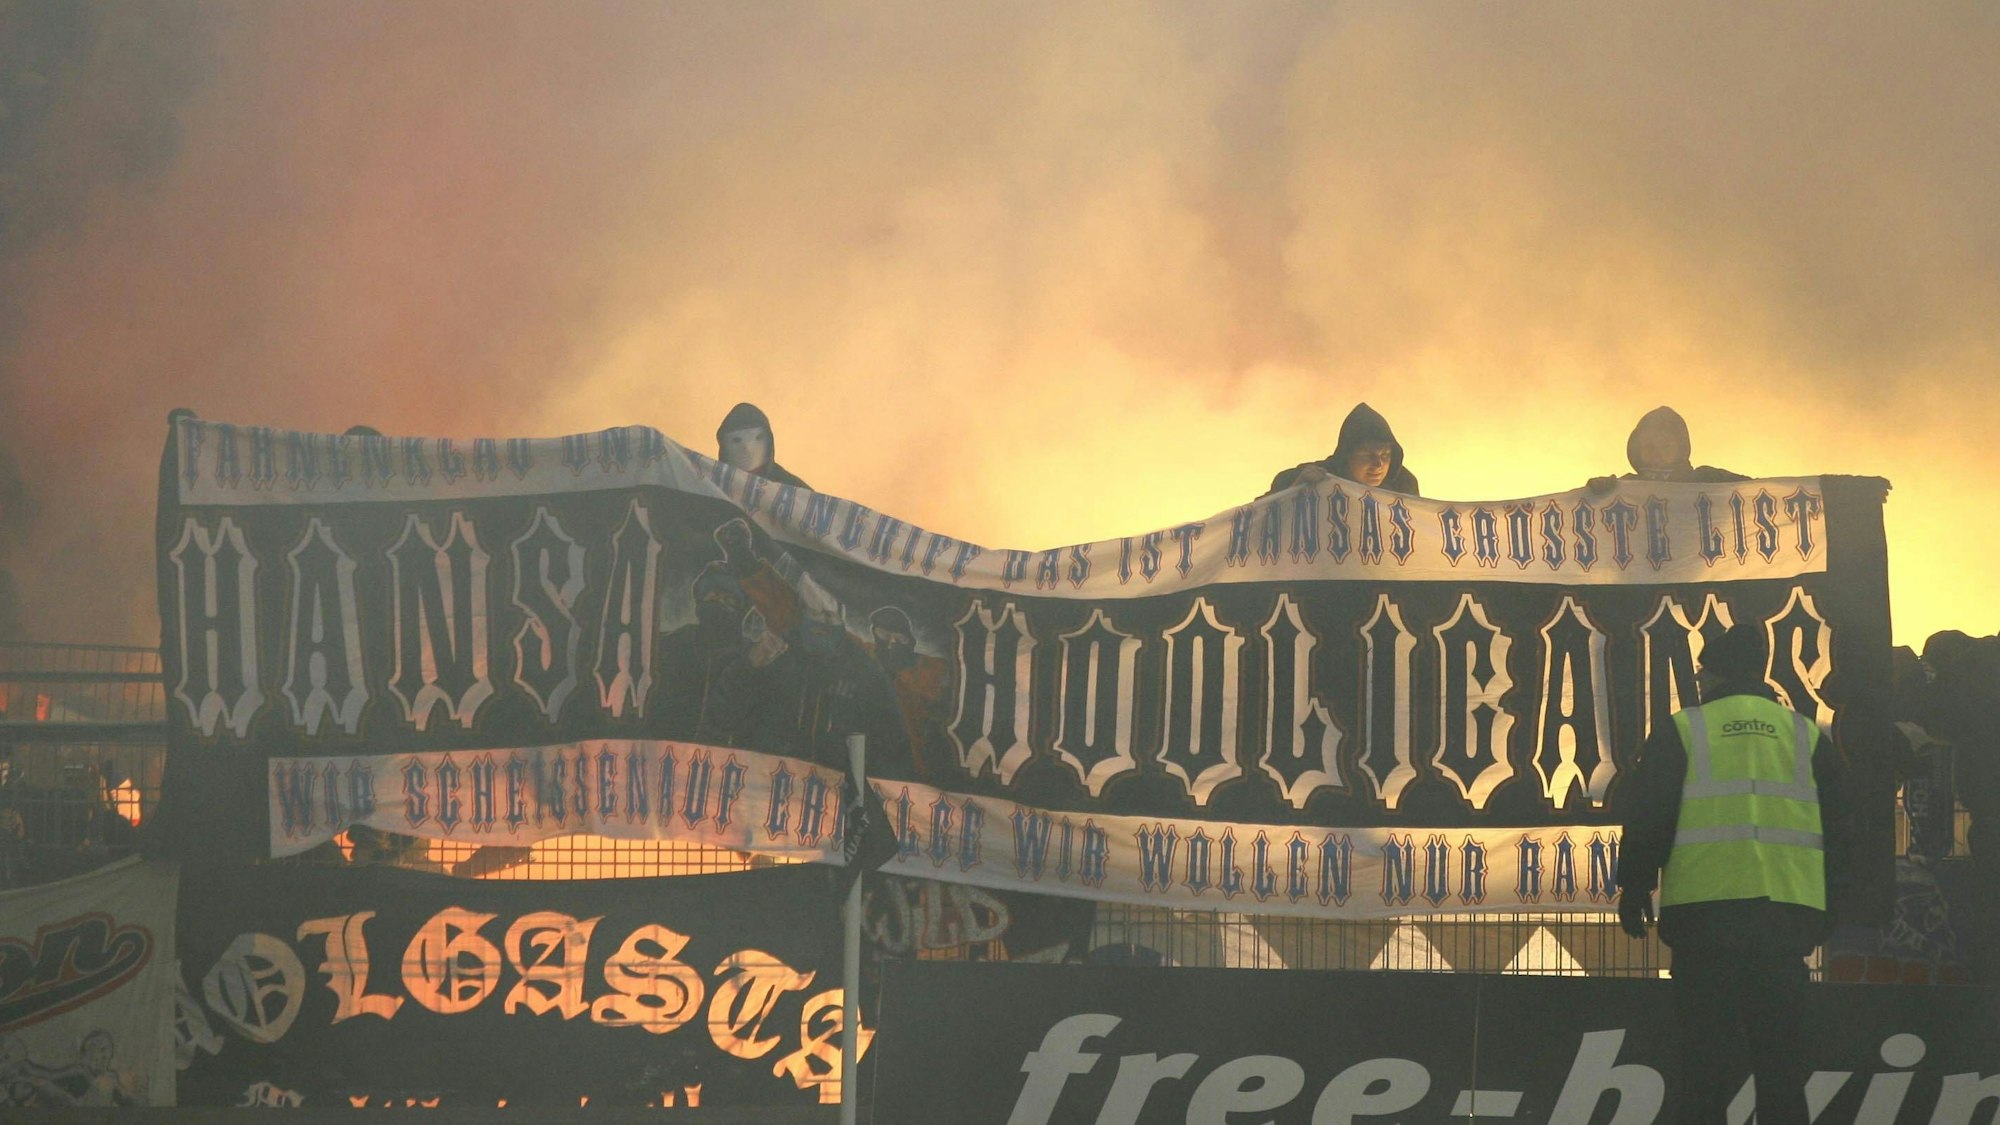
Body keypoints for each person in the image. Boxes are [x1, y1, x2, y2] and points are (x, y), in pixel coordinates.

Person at [1616, 624, 1851, 1124]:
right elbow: (1843, 828)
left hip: (1705, 923)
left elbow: (1648, 815)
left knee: (1704, 1070)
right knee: (1782, 1072)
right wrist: (1831, 907)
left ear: (1717, 673)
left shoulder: (1684, 730)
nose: (1699, 680)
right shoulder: (1807, 736)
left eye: (1703, 671)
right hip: (1785, 923)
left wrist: (1635, 885)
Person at [1263, 402, 1419, 497]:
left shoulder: (1403, 484)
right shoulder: (1308, 478)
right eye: (1367, 455)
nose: (1378, 464)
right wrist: (1294, 490)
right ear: (1347, 456)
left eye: (1385, 455)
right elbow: (1254, 520)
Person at [1589, 406, 1749, 492]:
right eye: (1649, 447)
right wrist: (1598, 493)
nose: (1656, 453)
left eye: (1665, 446)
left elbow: (1759, 492)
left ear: (1680, 449)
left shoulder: (1707, 479)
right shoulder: (1625, 486)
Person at [716, 402, 811, 490]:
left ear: (769, 442)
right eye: (736, 440)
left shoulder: (794, 490)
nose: (747, 448)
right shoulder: (711, 486)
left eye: (759, 438)